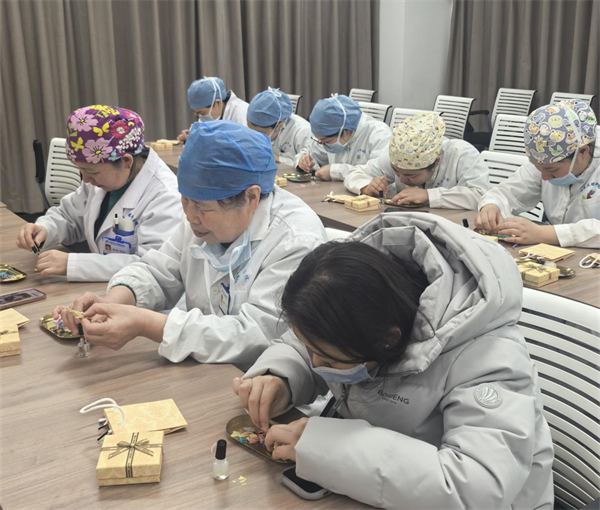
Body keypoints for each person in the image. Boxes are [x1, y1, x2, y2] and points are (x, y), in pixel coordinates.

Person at [233, 213, 554, 509]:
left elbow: (476, 489)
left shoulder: (491, 363)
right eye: (309, 349)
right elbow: (314, 343)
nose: (315, 363)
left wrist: (326, 448)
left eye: (327, 359)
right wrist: (282, 376)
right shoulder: (359, 300)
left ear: (387, 340)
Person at [55, 121, 326, 367]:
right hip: (207, 371)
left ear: (251, 198)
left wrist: (146, 323)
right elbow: (158, 271)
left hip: (263, 382)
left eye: (201, 206)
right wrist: (112, 302)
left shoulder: (295, 241)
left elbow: (257, 334)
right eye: (184, 200)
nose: (189, 215)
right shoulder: (202, 221)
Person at [16, 105, 181, 282]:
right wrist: (45, 229)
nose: (86, 179)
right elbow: (69, 216)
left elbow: (151, 265)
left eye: (91, 172)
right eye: (81, 170)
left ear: (126, 161)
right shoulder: (102, 179)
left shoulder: (166, 196)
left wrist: (74, 264)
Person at [476, 99, 599, 247]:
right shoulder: (544, 160)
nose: (544, 177)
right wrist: (491, 206)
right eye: (538, 168)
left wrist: (546, 233)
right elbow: (507, 192)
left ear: (583, 152)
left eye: (551, 170)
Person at [344, 113, 489, 209]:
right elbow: (355, 173)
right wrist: (366, 185)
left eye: (411, 175)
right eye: (396, 172)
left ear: (435, 163)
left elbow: (480, 195)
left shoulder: (461, 154)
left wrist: (429, 195)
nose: (402, 179)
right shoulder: (399, 157)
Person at [294, 94, 391, 181]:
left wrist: (336, 171)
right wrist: (303, 161)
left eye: (325, 141)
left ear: (346, 130)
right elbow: (308, 152)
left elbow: (381, 173)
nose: (322, 145)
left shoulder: (379, 133)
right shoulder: (332, 132)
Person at [246, 87, 311, 166]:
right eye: (250, 130)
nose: (255, 137)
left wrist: (278, 159)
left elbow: (309, 166)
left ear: (279, 124)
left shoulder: (302, 131)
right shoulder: (258, 124)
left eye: (260, 133)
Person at [178, 77, 248, 142]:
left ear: (218, 103)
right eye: (197, 113)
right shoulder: (211, 112)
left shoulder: (241, 113)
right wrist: (191, 136)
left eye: (202, 113)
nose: (200, 117)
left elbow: (244, 145)